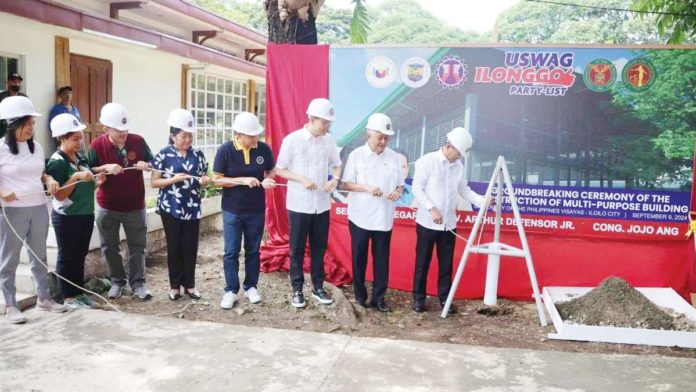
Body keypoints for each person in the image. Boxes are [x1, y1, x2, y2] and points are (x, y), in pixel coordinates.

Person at [0, 96, 68, 324]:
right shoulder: (0, 148)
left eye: (32, 124)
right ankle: (10, 304)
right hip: (12, 211)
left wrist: (48, 179)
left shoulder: (36, 148)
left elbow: (40, 172)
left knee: (38, 255)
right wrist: (2, 192)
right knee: (8, 259)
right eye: (27, 124)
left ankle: (44, 298)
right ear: (12, 124)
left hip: (38, 207)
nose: (31, 128)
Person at [411, 127, 487, 314]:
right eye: (458, 153)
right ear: (449, 146)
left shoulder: (458, 167)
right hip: (427, 223)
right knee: (423, 262)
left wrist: (482, 201)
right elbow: (417, 189)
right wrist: (431, 208)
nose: (459, 158)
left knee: (446, 264)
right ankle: (418, 299)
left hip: (448, 226)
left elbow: (464, 190)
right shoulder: (427, 161)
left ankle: (445, 299)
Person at [275, 98, 342, 308]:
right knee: (296, 248)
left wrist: (335, 179)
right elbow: (279, 169)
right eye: (324, 122)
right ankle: (297, 289)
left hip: (321, 205)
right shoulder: (292, 140)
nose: (327, 126)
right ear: (311, 119)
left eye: (329, 123)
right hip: (299, 205)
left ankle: (318, 287)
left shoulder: (328, 141)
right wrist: (301, 178)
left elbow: (337, 164)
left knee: (319, 248)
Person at [87, 102, 154, 301]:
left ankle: (139, 283)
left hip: (135, 205)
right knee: (109, 246)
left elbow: (153, 163)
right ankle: (117, 282)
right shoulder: (97, 146)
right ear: (105, 128)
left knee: (137, 245)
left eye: (125, 129)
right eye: (118, 130)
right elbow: (88, 169)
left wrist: (146, 165)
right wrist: (104, 167)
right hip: (107, 206)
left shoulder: (139, 141)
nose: (123, 133)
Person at [341, 113, 404, 312]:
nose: (383, 142)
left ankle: (379, 298)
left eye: (387, 138)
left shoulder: (394, 157)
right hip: (360, 217)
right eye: (380, 137)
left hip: (384, 218)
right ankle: (360, 296)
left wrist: (397, 192)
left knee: (381, 260)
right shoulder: (356, 155)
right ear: (369, 134)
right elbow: (346, 184)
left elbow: (401, 186)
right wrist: (367, 188)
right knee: (359, 258)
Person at [213, 112, 275, 309]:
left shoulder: (263, 149)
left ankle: (251, 287)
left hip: (256, 209)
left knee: (253, 250)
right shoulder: (225, 150)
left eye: (257, 135)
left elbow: (271, 170)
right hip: (232, 210)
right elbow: (217, 180)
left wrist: (267, 179)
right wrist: (242, 180)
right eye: (251, 135)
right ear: (239, 134)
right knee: (231, 251)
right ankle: (231, 290)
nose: (255, 138)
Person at [151, 108, 210, 301]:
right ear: (173, 136)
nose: (188, 140)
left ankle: (190, 286)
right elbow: (154, 182)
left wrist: (204, 180)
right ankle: (174, 286)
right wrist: (174, 179)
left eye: (190, 136)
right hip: (171, 207)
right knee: (174, 246)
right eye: (183, 136)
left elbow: (203, 176)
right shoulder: (163, 155)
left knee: (190, 246)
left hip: (192, 206)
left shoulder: (198, 155)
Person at [46, 113, 104, 309]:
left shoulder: (79, 156)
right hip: (67, 217)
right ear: (61, 138)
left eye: (80, 138)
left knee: (80, 254)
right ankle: (68, 296)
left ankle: (79, 293)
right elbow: (60, 195)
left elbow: (86, 187)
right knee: (67, 255)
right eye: (74, 139)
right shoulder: (57, 161)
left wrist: (98, 182)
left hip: (85, 213)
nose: (79, 142)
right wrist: (76, 176)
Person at [0, 74, 27, 139]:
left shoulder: (24, 97)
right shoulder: (1, 96)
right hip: (3, 128)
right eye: (14, 82)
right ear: (8, 83)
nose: (17, 84)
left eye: (18, 82)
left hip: (19, 128)